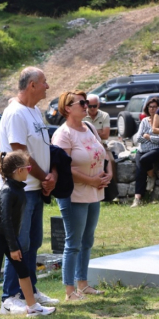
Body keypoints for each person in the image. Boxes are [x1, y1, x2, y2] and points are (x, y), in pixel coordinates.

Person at [0, 67, 59, 314]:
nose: (47, 86)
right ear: (32, 85)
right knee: (18, 244)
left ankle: (29, 290)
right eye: (44, 82)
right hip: (19, 191)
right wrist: (46, 177)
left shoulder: (33, 111)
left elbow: (43, 148)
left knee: (32, 243)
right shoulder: (15, 114)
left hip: (35, 188)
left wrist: (50, 176)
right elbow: (20, 153)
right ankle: (10, 296)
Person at [0, 151, 56, 319]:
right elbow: (5, 221)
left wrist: (13, 244)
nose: (30, 171)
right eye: (28, 168)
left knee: (23, 270)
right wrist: (13, 248)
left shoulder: (18, 188)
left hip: (9, 236)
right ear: (18, 171)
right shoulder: (8, 191)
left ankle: (33, 307)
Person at [52, 90, 109, 300]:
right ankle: (69, 290)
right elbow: (63, 167)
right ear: (68, 108)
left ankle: (83, 284)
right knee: (73, 242)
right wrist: (91, 179)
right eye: (82, 103)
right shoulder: (63, 134)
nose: (87, 106)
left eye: (87, 103)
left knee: (88, 240)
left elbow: (103, 153)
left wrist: (108, 172)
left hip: (94, 191)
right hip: (74, 193)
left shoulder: (90, 127)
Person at [130, 98, 159, 207]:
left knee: (143, 159)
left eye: (155, 107)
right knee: (139, 172)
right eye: (150, 107)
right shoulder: (144, 120)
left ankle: (151, 175)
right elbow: (138, 138)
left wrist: (149, 137)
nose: (152, 109)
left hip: (156, 149)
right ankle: (137, 199)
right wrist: (152, 138)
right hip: (142, 149)